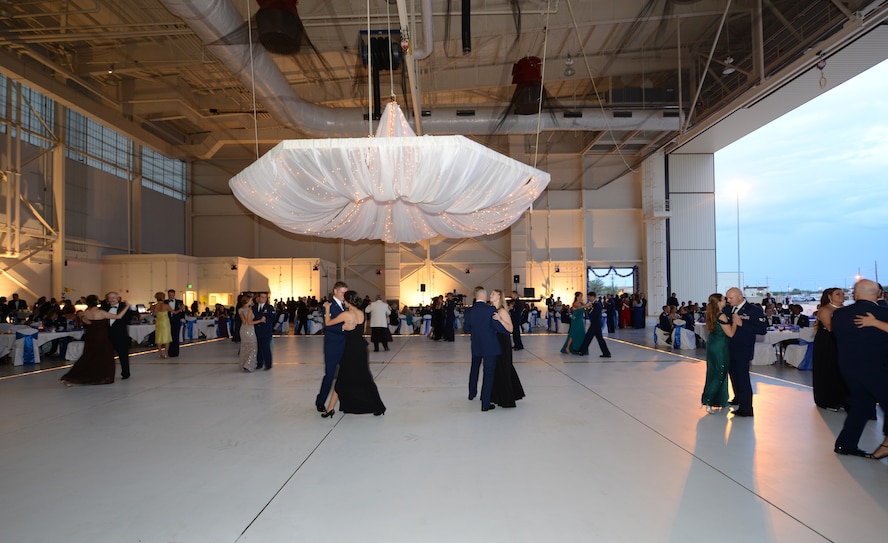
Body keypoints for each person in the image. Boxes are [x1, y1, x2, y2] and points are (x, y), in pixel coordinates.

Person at [831, 279, 888, 458]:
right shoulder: (883, 314)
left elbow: (837, 335)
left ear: (856, 294)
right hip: (878, 368)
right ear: (878, 294)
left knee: (861, 405)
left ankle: (845, 444)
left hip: (848, 368)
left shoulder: (840, 315)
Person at [321, 290, 386, 417]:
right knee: (366, 378)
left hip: (350, 350)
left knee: (341, 379)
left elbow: (328, 323)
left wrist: (327, 309)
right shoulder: (361, 313)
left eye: (344, 300)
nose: (344, 302)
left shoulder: (346, 314)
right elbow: (362, 330)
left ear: (349, 301)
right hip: (361, 348)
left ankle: (329, 409)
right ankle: (379, 407)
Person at [60, 295, 130, 386]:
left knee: (88, 357)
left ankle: (71, 376)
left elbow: (88, 322)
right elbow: (118, 316)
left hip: (90, 337)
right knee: (104, 357)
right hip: (102, 337)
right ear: (97, 302)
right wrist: (127, 306)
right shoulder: (101, 312)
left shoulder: (86, 313)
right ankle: (99, 376)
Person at [724, 287, 768, 417]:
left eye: (730, 298)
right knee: (733, 375)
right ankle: (738, 398)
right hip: (729, 348)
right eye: (727, 298)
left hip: (743, 349)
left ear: (739, 296)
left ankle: (746, 408)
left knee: (742, 378)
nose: (728, 300)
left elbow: (762, 329)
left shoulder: (754, 310)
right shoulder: (728, 309)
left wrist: (742, 324)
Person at [463, 286, 501, 411]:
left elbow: (466, 329)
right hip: (490, 346)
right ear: (484, 296)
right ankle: (485, 402)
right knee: (488, 373)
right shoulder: (491, 310)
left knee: (474, 368)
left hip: (476, 345)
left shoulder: (469, 311)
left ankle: (471, 393)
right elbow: (496, 327)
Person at [701, 293, 737, 413]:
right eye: (723, 299)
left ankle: (721, 400)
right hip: (720, 347)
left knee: (714, 372)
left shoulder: (711, 314)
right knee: (720, 373)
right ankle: (708, 399)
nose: (725, 300)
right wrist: (736, 322)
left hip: (713, 344)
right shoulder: (721, 316)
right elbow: (730, 333)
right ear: (718, 302)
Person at [812, 288, 847, 411]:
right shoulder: (825, 310)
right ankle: (828, 400)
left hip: (842, 341)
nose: (842, 296)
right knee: (828, 369)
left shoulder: (845, 309)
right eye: (838, 294)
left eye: (842, 294)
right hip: (828, 342)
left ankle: (842, 399)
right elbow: (830, 327)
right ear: (829, 296)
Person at [316, 281, 349, 412]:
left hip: (345, 345)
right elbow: (328, 325)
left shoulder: (345, 305)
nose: (344, 295)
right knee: (329, 375)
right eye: (342, 293)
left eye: (345, 293)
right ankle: (320, 401)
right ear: (335, 291)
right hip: (332, 346)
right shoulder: (328, 305)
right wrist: (342, 328)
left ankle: (345, 401)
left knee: (345, 375)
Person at [489, 289, 524, 408]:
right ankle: (498, 396)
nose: (491, 295)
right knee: (498, 368)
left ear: (499, 297)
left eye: (493, 294)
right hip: (494, 341)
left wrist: (500, 320)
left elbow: (511, 329)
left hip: (502, 342)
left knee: (504, 367)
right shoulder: (492, 309)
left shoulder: (502, 311)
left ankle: (507, 398)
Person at [102, 291, 138, 379]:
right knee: (107, 356)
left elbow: (135, 313)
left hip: (121, 335)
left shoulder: (123, 307)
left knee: (123, 355)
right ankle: (107, 374)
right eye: (109, 298)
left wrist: (130, 306)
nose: (111, 300)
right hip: (108, 335)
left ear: (118, 298)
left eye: (113, 298)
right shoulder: (105, 307)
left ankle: (125, 373)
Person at [577, 291, 612, 358]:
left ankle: (582, 351)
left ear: (593, 297)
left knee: (588, 337)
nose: (589, 298)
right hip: (595, 324)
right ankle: (606, 353)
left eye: (589, 297)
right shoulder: (594, 304)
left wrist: (588, 310)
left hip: (595, 324)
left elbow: (593, 314)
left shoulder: (597, 305)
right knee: (599, 338)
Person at [238, 293, 261, 372]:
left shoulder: (240, 309)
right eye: (251, 300)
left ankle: (244, 363)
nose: (252, 301)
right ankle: (248, 365)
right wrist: (260, 320)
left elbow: (244, 322)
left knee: (245, 347)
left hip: (243, 330)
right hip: (250, 330)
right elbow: (249, 322)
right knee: (253, 347)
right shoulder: (249, 310)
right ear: (248, 301)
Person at [253, 292, 275, 370]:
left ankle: (268, 364)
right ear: (258, 298)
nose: (263, 299)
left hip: (266, 331)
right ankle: (259, 363)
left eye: (265, 297)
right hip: (257, 331)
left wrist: (266, 320)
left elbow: (274, 318)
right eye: (262, 297)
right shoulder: (254, 307)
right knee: (258, 347)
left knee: (266, 347)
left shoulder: (269, 307)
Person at [150, 292, 173, 359]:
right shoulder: (166, 305)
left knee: (159, 338)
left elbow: (151, 311)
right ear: (163, 298)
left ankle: (159, 354)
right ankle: (166, 354)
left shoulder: (154, 306)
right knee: (167, 337)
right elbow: (174, 312)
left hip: (158, 322)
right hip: (165, 322)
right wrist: (180, 308)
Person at [165, 289, 185, 357]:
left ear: (174, 294)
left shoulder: (179, 302)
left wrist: (182, 318)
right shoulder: (165, 302)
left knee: (176, 336)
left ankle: (175, 352)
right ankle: (169, 352)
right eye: (169, 295)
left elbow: (183, 311)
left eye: (172, 294)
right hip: (167, 321)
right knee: (169, 336)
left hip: (176, 321)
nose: (170, 296)